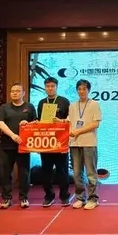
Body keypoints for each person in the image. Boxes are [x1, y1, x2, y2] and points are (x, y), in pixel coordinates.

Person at [0, 82, 37, 209]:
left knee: (24, 173)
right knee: (5, 173)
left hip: (23, 146)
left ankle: (23, 197)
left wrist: (28, 124)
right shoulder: (4, 108)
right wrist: (12, 135)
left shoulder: (29, 107)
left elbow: (36, 122)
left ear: (23, 93)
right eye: (13, 91)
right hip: (6, 146)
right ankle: (6, 198)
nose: (15, 93)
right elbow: (0, 123)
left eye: (18, 91)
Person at [36, 77, 71, 207]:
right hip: (46, 141)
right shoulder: (41, 103)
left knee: (62, 170)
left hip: (60, 141)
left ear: (56, 87)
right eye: (47, 86)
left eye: (52, 86)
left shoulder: (64, 101)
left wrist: (60, 121)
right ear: (45, 87)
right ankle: (49, 196)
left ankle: (64, 196)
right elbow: (39, 121)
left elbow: (69, 120)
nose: (50, 89)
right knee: (46, 170)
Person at [67, 79, 102, 210]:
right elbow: (69, 122)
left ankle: (93, 199)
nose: (81, 91)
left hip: (89, 142)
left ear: (88, 90)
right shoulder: (72, 105)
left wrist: (78, 131)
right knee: (77, 173)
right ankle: (80, 198)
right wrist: (62, 123)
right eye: (79, 89)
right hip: (74, 143)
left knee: (91, 173)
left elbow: (95, 124)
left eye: (84, 89)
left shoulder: (94, 104)